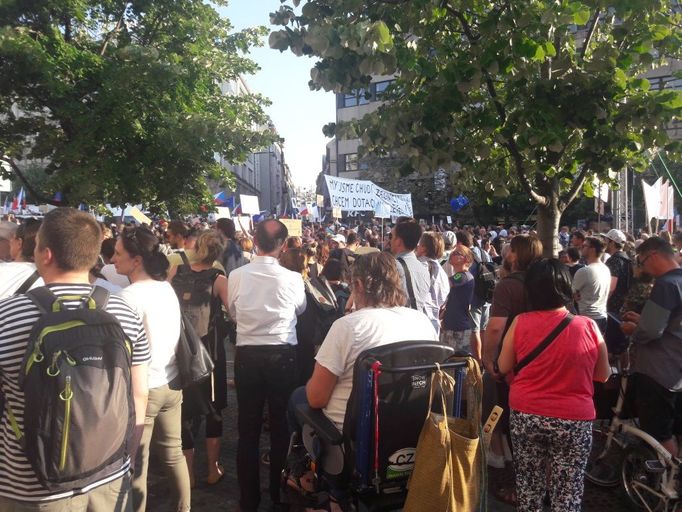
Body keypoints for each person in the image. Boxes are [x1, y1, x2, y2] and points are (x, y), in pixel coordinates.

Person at [0, 208, 150, 510]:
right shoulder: (124, 311)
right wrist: (127, 456)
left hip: (33, 486)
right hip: (110, 473)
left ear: (45, 254)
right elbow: (139, 393)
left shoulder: (8, 315)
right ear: (94, 256)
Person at [497, 259, 610, 512]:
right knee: (568, 490)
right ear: (567, 288)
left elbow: (504, 366)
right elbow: (602, 375)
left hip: (527, 414)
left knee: (529, 486)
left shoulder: (521, 322)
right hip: (574, 420)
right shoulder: (588, 326)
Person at [301, 252, 438, 430]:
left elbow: (316, 398)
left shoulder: (348, 327)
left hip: (356, 434)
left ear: (358, 285)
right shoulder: (422, 321)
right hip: (408, 427)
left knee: (298, 397)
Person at [227, 219, 306, 512]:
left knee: (247, 429)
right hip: (282, 354)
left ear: (255, 242)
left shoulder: (236, 275)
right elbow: (300, 308)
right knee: (280, 428)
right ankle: (278, 494)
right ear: (283, 245)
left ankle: (249, 500)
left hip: (248, 353)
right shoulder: (293, 278)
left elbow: (233, 312)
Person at [113, 226, 190, 512]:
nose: (112, 260)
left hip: (143, 388)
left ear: (137, 260)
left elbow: (123, 352)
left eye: (118, 254)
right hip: (171, 383)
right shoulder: (165, 287)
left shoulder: (128, 298)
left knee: (137, 465)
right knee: (173, 454)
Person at [168, 230, 229, 488]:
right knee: (213, 409)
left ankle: (188, 474)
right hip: (209, 350)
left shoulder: (176, 272)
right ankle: (213, 468)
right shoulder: (218, 278)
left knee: (184, 411)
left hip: (180, 349)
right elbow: (233, 311)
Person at [622, 237, 682, 457]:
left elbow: (652, 331)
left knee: (659, 433)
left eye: (642, 261)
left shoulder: (666, 284)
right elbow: (671, 324)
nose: (643, 267)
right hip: (676, 369)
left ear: (654, 255)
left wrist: (633, 329)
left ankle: (669, 484)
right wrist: (642, 320)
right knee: (677, 426)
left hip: (658, 371)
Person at [391, 219, 433, 322]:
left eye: (391, 236)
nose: (389, 241)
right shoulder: (423, 268)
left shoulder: (392, 266)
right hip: (418, 323)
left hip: (399, 324)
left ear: (399, 241)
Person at [440, 245, 475, 354]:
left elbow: (444, 283)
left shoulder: (463, 276)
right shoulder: (460, 276)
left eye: (456, 253)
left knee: (457, 363)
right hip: (453, 325)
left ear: (466, 259)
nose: (452, 255)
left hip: (458, 328)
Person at [572, 237, 611, 334]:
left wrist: (574, 294)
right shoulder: (605, 268)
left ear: (592, 249)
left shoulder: (585, 271)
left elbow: (569, 293)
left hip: (587, 318)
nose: (581, 247)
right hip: (602, 317)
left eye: (585, 246)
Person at [0, 218, 44, 299]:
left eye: (13, 238)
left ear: (19, 243)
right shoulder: (47, 276)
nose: (10, 241)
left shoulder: (3, 270)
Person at [416, 231, 450, 334]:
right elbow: (443, 299)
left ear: (423, 248)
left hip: (418, 323)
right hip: (434, 325)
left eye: (419, 243)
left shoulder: (417, 267)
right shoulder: (442, 273)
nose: (417, 246)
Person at [602, 228, 633, 316]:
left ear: (612, 242)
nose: (605, 243)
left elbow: (611, 287)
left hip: (613, 307)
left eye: (606, 240)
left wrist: (603, 303)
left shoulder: (614, 260)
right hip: (624, 305)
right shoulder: (627, 259)